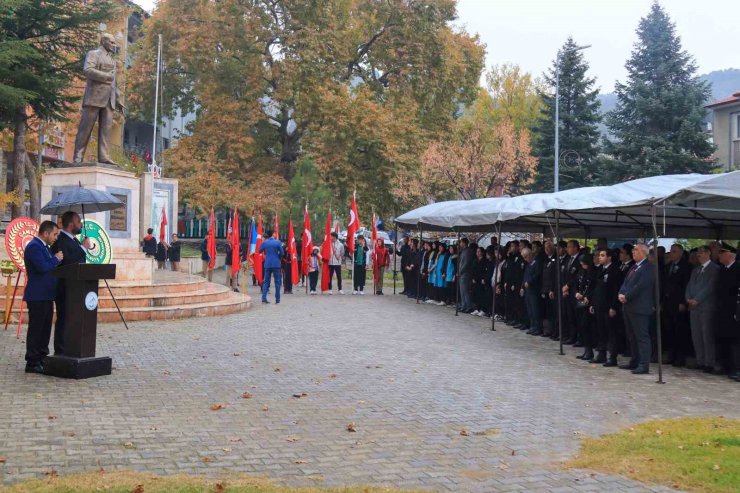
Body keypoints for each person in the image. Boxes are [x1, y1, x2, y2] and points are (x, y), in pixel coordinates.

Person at [23, 221, 63, 374]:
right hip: (37, 295)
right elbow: (43, 267)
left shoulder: (45, 247)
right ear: (45, 233)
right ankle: (32, 362)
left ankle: (41, 358)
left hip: (46, 295)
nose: (56, 237)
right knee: (36, 330)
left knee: (45, 329)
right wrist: (56, 259)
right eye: (54, 234)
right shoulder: (34, 246)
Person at [50, 211, 90, 356]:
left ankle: (71, 347)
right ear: (71, 224)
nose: (81, 225)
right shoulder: (60, 240)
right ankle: (60, 350)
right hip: (65, 287)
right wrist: (83, 248)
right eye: (79, 222)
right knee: (64, 318)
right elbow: (66, 262)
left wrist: (83, 247)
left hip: (78, 287)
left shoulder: (74, 240)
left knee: (73, 318)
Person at [618, 243, 655, 374]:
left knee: (641, 337)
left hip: (639, 307)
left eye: (636, 250)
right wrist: (621, 294)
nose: (633, 252)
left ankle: (644, 364)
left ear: (644, 252)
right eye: (633, 250)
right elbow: (625, 283)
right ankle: (635, 360)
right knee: (631, 336)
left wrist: (627, 296)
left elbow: (641, 286)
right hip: (628, 306)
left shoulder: (648, 267)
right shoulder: (634, 267)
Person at [685, 245, 720, 373]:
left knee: (707, 335)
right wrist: (688, 297)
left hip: (706, 307)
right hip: (693, 307)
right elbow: (689, 285)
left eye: (701, 252)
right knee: (696, 335)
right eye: (698, 252)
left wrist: (697, 299)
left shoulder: (714, 269)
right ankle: (700, 360)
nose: (698, 255)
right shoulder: (696, 269)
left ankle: (709, 362)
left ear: (708, 253)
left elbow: (710, 287)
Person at [591, 248, 621, 365]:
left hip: (609, 306)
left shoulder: (615, 270)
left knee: (611, 332)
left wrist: (613, 306)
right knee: (601, 330)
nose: (600, 257)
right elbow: (596, 288)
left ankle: (613, 357)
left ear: (609, 257)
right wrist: (593, 303)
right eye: (599, 255)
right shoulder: (600, 269)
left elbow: (616, 290)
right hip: (599, 304)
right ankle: (601, 354)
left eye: (602, 255)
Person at [663, 244, 692, 366]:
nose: (671, 254)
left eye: (674, 251)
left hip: (678, 302)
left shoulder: (686, 266)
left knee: (679, 330)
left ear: (680, 253)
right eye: (671, 251)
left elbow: (686, 285)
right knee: (669, 330)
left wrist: (683, 302)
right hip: (667, 302)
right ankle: (671, 354)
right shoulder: (668, 266)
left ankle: (680, 357)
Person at [716, 244, 739, 379]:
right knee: (725, 339)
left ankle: (737, 368)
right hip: (723, 311)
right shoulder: (723, 270)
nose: (719, 256)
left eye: (722, 253)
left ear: (730, 255)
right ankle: (728, 366)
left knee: (736, 341)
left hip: (735, 310)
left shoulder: (737, 268)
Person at [574, 255, 596, 360]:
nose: (582, 265)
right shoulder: (581, 271)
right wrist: (577, 293)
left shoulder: (593, 271)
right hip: (580, 301)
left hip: (588, 302)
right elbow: (577, 283)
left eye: (584, 263)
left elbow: (594, 287)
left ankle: (589, 350)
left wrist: (587, 296)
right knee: (582, 326)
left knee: (586, 326)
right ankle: (587, 350)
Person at [522, 247, 544, 334]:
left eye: (525, 257)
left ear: (530, 255)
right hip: (528, 290)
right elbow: (525, 275)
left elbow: (537, 275)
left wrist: (530, 282)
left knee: (535, 310)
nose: (525, 259)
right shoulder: (529, 264)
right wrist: (523, 285)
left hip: (534, 290)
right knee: (530, 310)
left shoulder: (536, 262)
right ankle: (532, 326)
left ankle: (538, 328)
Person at [259, 230, 284, 304]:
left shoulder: (265, 243)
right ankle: (277, 300)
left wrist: (266, 252)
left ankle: (263, 299)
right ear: (273, 235)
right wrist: (277, 257)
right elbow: (282, 253)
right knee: (277, 282)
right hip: (276, 264)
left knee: (266, 281)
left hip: (267, 264)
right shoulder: (277, 242)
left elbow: (260, 251)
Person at [457, 238, 475, 314]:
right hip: (462, 274)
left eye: (461, 242)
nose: (460, 244)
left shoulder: (468, 251)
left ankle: (468, 306)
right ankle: (464, 305)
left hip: (466, 274)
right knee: (462, 291)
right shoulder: (463, 251)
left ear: (464, 243)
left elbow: (466, 263)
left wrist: (460, 271)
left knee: (465, 291)